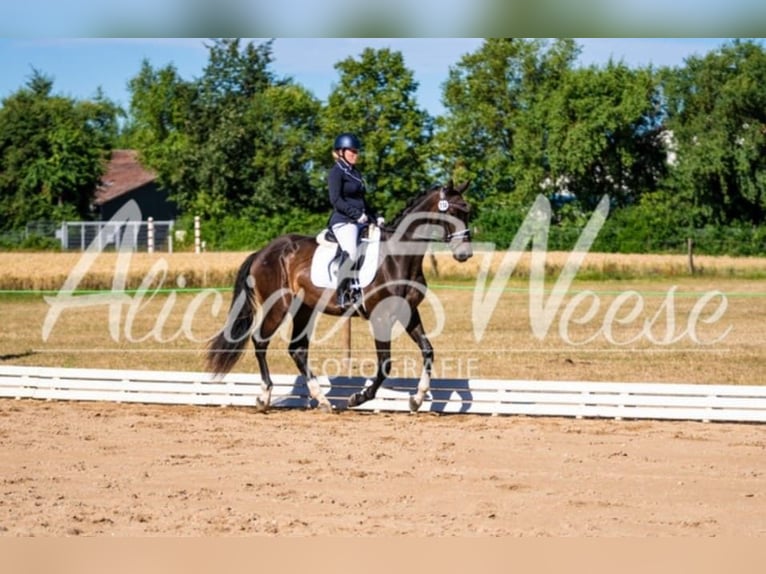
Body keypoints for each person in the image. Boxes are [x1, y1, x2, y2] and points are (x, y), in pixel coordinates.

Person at [327, 133, 384, 309]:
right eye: (352, 151)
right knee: (351, 252)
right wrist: (356, 215)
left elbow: (362, 201)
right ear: (341, 152)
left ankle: (364, 287)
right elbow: (336, 200)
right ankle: (343, 294)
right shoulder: (336, 172)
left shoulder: (355, 173)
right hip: (343, 221)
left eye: (357, 151)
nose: (355, 154)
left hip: (360, 221)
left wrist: (376, 217)